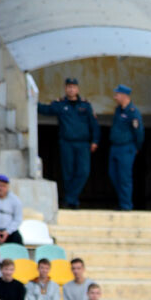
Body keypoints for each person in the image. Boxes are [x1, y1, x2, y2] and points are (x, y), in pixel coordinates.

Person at [36, 77, 97, 209]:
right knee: (68, 173)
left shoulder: (85, 106)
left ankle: (70, 198)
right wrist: (31, 99)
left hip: (83, 144)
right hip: (67, 143)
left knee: (83, 172)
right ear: (65, 89)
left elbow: (94, 124)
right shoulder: (61, 104)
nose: (71, 89)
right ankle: (72, 202)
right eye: (68, 87)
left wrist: (95, 141)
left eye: (73, 87)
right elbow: (45, 109)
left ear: (77, 89)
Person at [106, 85, 144, 212]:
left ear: (124, 96)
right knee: (113, 175)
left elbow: (139, 132)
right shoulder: (118, 110)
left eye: (117, 94)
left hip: (126, 148)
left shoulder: (133, 112)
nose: (115, 97)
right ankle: (123, 201)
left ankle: (126, 205)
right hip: (115, 147)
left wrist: (136, 147)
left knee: (124, 178)